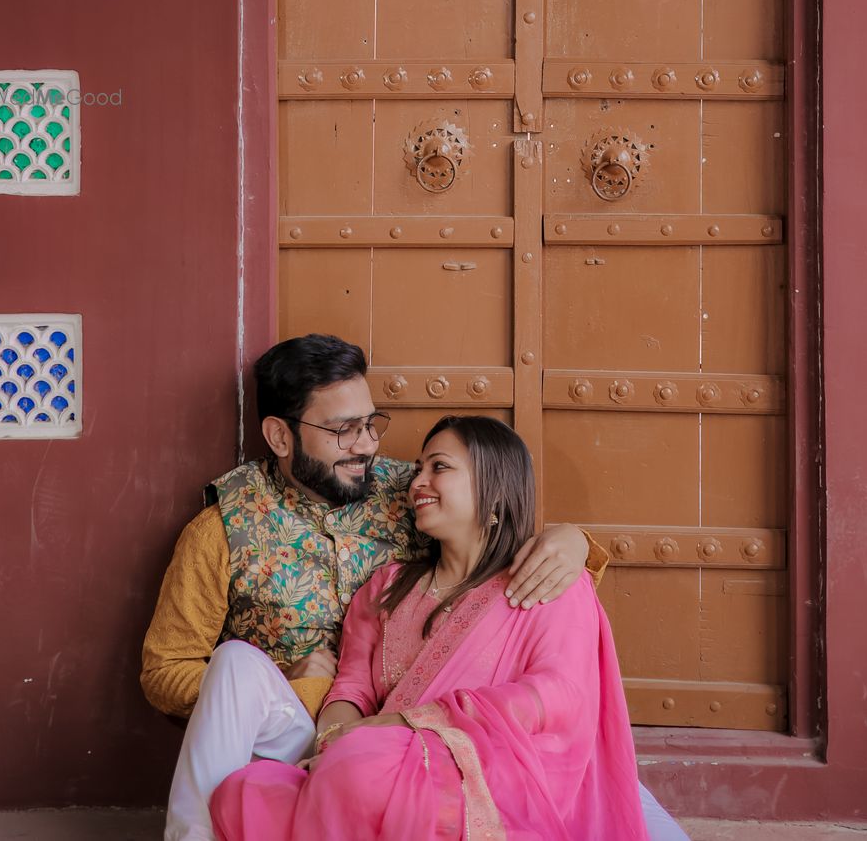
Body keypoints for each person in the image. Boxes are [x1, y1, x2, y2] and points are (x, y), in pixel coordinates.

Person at [144, 334, 686, 840]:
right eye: (343, 430)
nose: (366, 445)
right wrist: (295, 687)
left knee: (615, 801)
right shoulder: (222, 531)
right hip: (299, 730)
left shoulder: (404, 487)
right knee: (237, 665)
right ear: (280, 436)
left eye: (370, 424)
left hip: (439, 741)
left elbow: (498, 519)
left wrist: (575, 542)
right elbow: (164, 672)